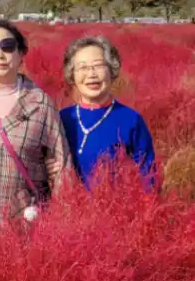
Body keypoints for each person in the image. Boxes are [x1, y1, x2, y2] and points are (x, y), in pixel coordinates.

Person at [0, 20, 70, 225]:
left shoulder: (39, 103)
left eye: (8, 46)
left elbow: (61, 166)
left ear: (20, 54)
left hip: (25, 224)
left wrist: (62, 220)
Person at [59, 35, 157, 187]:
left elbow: (149, 177)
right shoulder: (62, 118)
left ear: (111, 70)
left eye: (98, 66)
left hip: (115, 208)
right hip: (66, 208)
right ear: (72, 75)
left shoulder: (130, 120)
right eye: (83, 67)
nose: (91, 74)